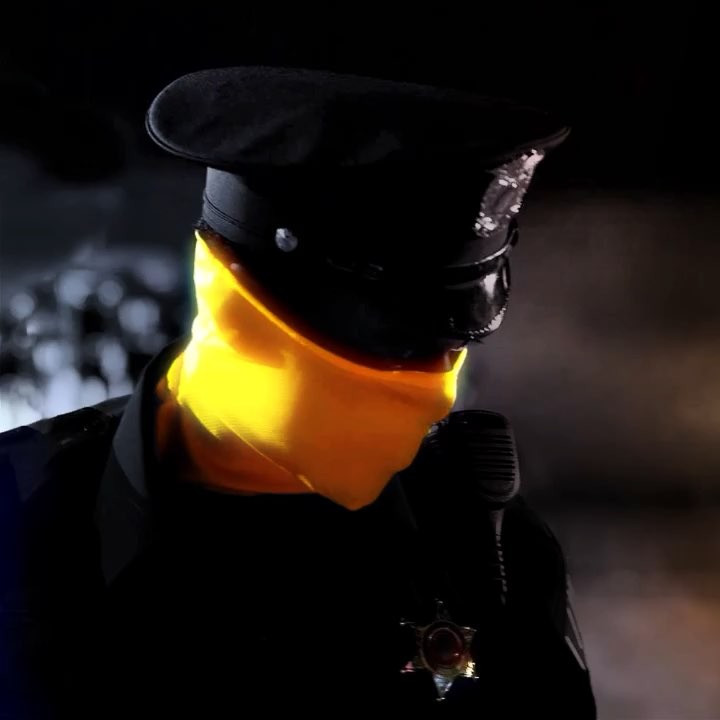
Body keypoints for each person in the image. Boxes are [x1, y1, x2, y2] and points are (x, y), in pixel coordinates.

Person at [0, 67, 596, 717]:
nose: (430, 392)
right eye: (389, 347)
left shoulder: (488, 542)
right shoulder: (19, 513)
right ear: (234, 297)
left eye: (450, 347)